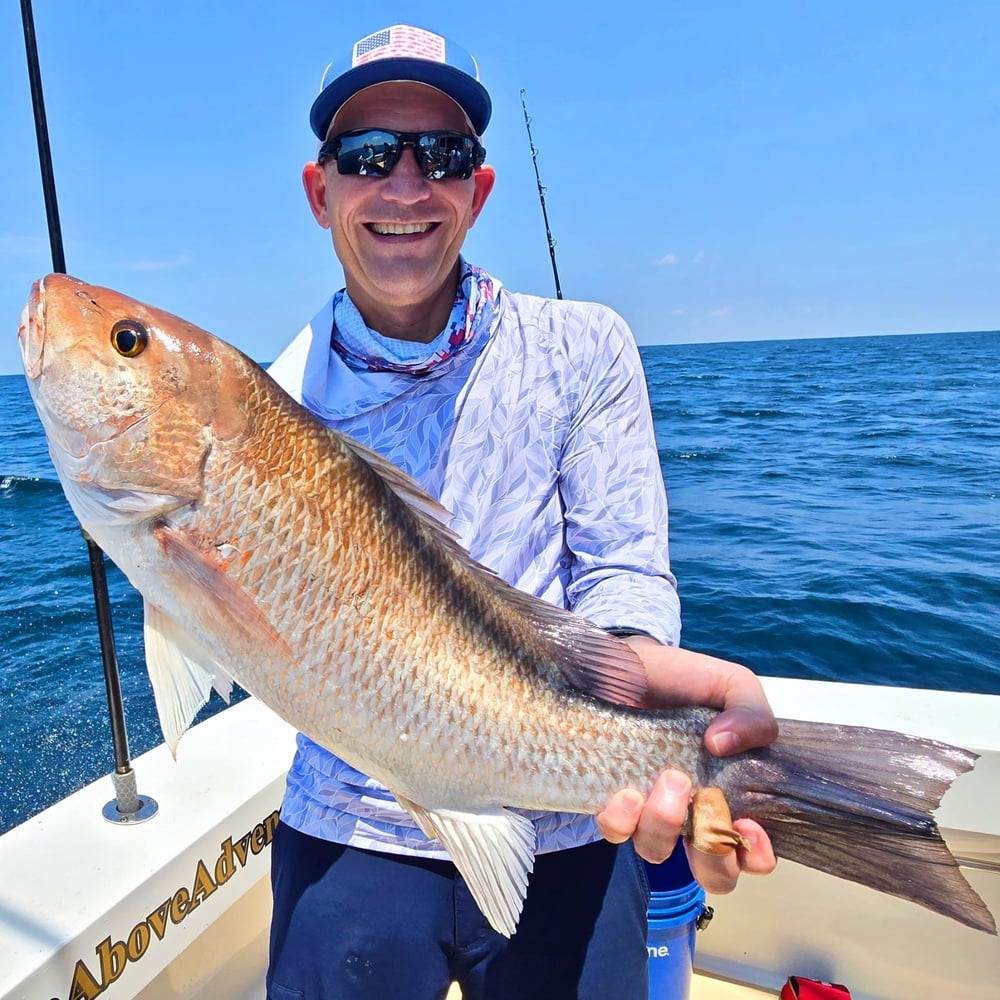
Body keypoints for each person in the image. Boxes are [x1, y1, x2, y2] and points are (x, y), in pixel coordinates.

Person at [265, 23, 778, 1000]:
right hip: (351, 819)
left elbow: (623, 566)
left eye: (443, 156)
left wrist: (633, 684)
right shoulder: (273, 404)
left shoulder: (583, 346)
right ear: (319, 189)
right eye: (370, 155)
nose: (407, 187)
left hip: (571, 816)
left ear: (478, 189)